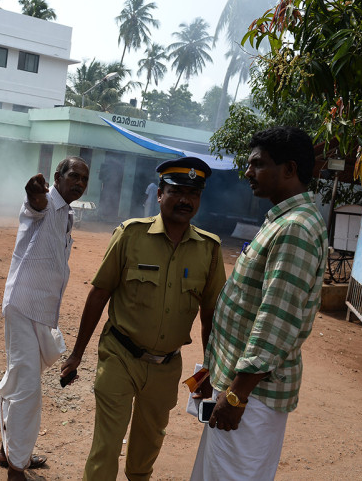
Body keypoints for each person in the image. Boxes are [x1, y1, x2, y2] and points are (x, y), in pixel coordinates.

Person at [61, 157, 227, 480]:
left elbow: (211, 316)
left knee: (145, 455)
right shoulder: (130, 235)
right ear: (160, 193)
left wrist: (209, 369)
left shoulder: (209, 250)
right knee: (106, 448)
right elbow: (99, 294)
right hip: (120, 355)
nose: (185, 200)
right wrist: (77, 353)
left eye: (193, 193)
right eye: (177, 191)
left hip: (167, 367)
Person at [189, 126, 328, 480]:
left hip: (252, 396)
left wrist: (236, 396)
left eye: (257, 164)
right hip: (241, 387)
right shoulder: (282, 221)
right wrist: (210, 375)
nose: (248, 173)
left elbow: (275, 321)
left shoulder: (295, 228)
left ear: (289, 169)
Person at [0, 157, 90, 481]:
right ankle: (16, 469)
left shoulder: (68, 214)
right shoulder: (46, 202)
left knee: (21, 380)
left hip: (41, 311)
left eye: (84, 179)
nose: (79, 183)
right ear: (57, 177)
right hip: (23, 307)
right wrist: (35, 195)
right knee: (27, 390)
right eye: (74, 176)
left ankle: (9, 450)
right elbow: (34, 207)